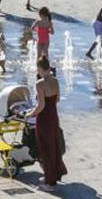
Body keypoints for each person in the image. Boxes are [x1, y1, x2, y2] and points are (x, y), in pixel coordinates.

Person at [26, 57, 67, 191]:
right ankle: (52, 176)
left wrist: (30, 114)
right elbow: (58, 99)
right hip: (53, 117)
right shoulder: (55, 81)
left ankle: (50, 183)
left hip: (43, 119)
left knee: (45, 149)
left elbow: (41, 105)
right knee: (53, 147)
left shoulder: (39, 83)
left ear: (40, 68)